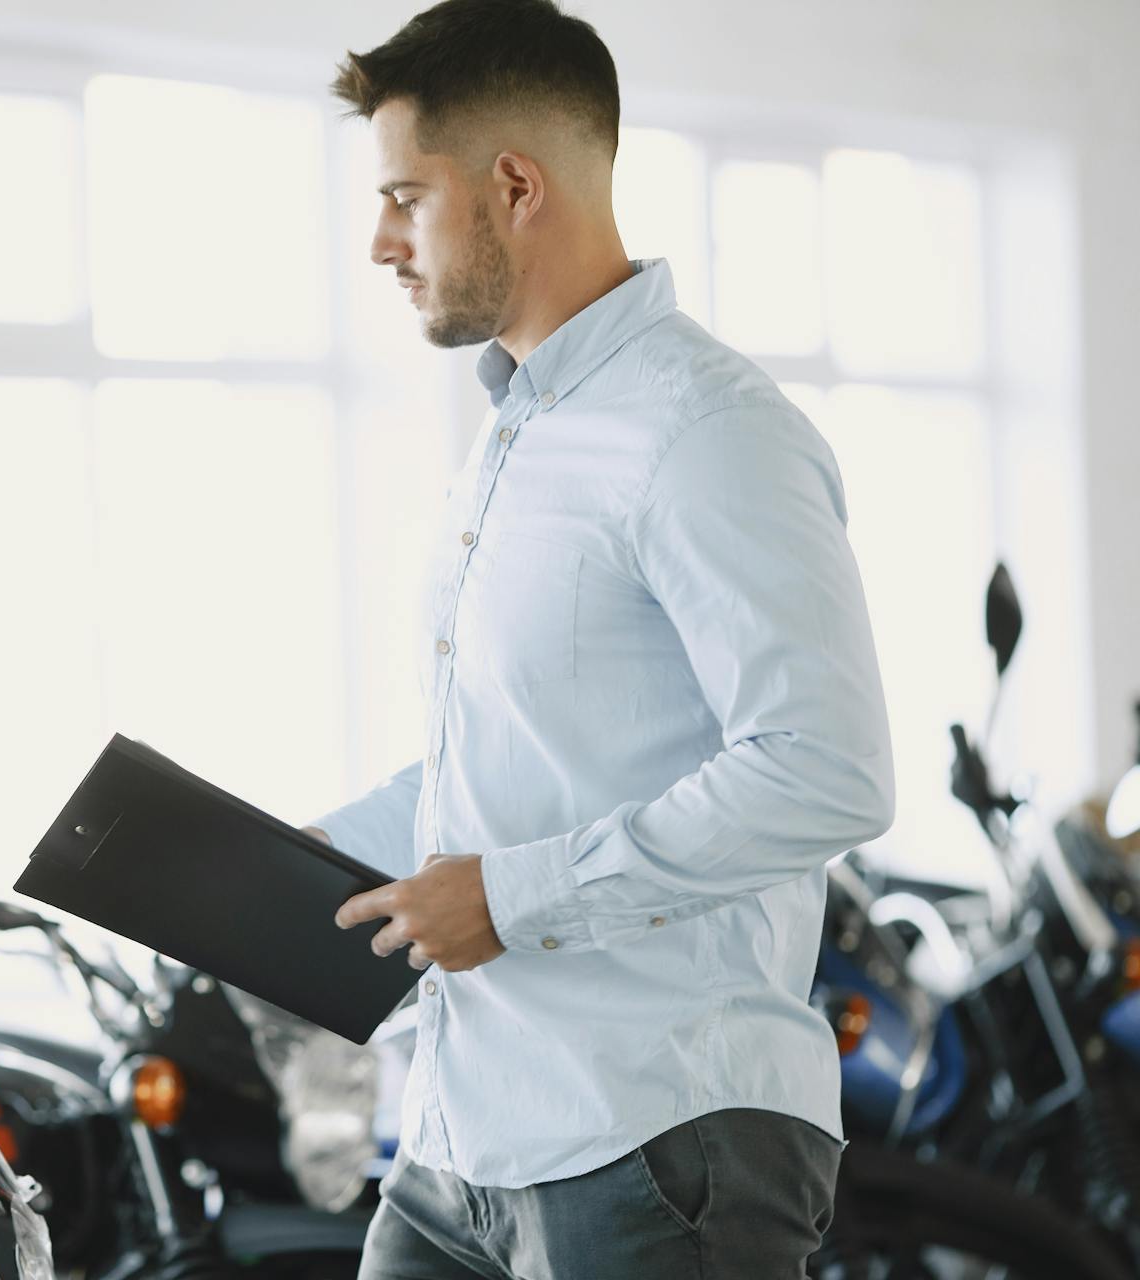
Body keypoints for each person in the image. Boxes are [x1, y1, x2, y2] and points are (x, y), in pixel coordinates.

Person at [302, 1, 895, 1275]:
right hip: (463, 1135)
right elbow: (519, 758)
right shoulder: (515, 438)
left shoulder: (708, 428)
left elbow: (823, 765)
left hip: (657, 1136)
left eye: (407, 195)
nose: (378, 241)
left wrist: (511, 899)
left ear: (513, 185)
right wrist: (284, 869)